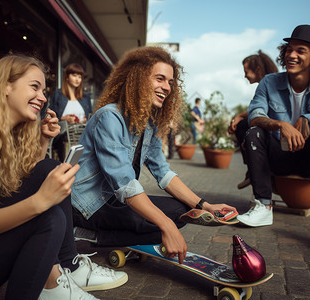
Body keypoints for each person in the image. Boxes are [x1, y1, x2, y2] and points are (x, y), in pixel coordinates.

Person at [0, 54, 127, 300]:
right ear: (5, 85)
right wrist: (40, 202)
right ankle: (52, 284)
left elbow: (17, 183)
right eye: (34, 87)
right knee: (48, 217)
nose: (43, 97)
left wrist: (44, 139)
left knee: (49, 170)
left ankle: (60, 273)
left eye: (44, 90)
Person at [71, 46, 236, 264]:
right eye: (160, 79)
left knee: (181, 211)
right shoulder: (109, 117)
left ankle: (117, 236)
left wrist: (204, 205)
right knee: (164, 226)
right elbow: (126, 185)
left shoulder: (147, 124)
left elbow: (163, 173)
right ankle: (89, 233)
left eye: (170, 82)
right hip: (88, 205)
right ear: (139, 79)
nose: (167, 87)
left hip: (114, 198)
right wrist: (166, 226)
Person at [236, 25, 310, 261]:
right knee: (252, 132)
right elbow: (255, 114)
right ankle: (263, 206)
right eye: (289, 50)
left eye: (300, 50)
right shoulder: (270, 82)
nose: (292, 55)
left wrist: (305, 119)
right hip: (278, 157)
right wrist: (281, 125)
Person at [228, 50, 278, 189]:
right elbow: (256, 109)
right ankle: (252, 167)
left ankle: (253, 167)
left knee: (242, 126)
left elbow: (266, 109)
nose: (244, 75)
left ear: (257, 69)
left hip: (274, 130)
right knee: (242, 124)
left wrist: (239, 117)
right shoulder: (266, 84)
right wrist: (238, 116)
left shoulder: (271, 83)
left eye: (246, 71)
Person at [49, 63, 92, 161]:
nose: (77, 79)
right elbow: (50, 117)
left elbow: (90, 118)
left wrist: (85, 120)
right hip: (64, 138)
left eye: (80, 77)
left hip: (81, 137)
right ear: (67, 77)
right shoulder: (58, 95)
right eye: (74, 75)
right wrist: (63, 118)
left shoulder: (85, 98)